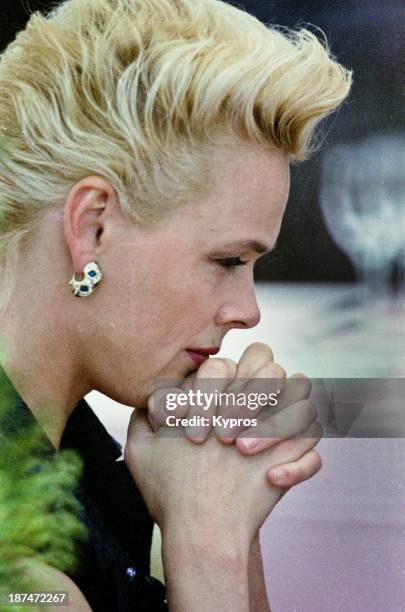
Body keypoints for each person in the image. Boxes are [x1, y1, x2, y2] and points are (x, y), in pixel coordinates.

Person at [0, 0, 351, 609]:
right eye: (227, 262)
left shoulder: (76, 462)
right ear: (93, 227)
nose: (248, 311)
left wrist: (222, 493)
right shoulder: (23, 571)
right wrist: (207, 539)